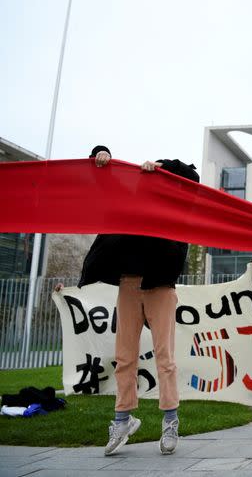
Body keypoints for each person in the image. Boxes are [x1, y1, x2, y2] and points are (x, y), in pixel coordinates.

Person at [74, 145, 199, 456]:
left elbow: (192, 175)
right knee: (125, 357)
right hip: (129, 285)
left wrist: (162, 164)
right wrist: (101, 154)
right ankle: (122, 420)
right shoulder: (127, 203)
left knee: (164, 359)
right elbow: (103, 180)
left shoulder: (173, 204)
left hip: (161, 288)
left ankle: (170, 421)